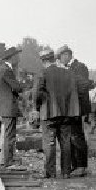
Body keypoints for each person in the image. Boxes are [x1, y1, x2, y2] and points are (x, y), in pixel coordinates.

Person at [34, 49, 80, 178]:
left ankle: (51, 172)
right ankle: (66, 172)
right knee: (65, 143)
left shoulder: (43, 73)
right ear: (53, 59)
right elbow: (73, 93)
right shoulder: (67, 73)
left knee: (49, 143)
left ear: (43, 61)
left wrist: (38, 107)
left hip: (49, 114)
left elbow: (38, 94)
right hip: (66, 114)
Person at [57, 45, 90, 176]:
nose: (60, 60)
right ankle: (76, 165)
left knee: (77, 136)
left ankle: (81, 166)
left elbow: (82, 87)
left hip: (77, 107)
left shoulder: (79, 67)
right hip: (71, 108)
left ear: (67, 55)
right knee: (72, 136)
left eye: (61, 57)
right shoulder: (68, 68)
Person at [0, 46, 23, 167]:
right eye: (17, 55)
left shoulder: (0, 69)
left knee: (5, 135)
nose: (19, 57)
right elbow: (17, 87)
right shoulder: (7, 70)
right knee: (9, 136)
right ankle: (8, 161)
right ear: (12, 57)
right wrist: (22, 84)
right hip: (9, 108)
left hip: (3, 107)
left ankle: (4, 160)